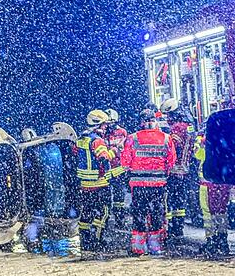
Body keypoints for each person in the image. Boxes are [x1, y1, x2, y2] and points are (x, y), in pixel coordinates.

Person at [120, 108, 176, 256]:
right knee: (156, 213)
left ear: (141, 122)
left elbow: (125, 162)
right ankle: (155, 246)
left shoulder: (132, 138)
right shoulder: (166, 138)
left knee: (139, 213)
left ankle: (138, 248)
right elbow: (171, 162)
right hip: (158, 184)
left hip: (139, 184)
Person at [74, 109, 116, 253]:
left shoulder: (81, 139)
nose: (106, 127)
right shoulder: (97, 141)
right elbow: (104, 157)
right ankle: (97, 240)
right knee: (103, 213)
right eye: (104, 125)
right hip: (99, 184)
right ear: (98, 124)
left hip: (85, 184)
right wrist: (114, 151)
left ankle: (85, 242)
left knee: (86, 213)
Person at [159, 98, 198, 242]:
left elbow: (173, 146)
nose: (167, 118)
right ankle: (178, 228)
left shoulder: (177, 128)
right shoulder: (189, 126)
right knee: (179, 200)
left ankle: (171, 228)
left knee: (170, 199)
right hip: (186, 169)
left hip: (174, 169)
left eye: (169, 115)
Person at [194, 131, 231, 256]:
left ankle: (211, 240)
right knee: (221, 211)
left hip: (207, 184)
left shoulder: (206, 142)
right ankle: (222, 239)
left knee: (207, 213)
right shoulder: (227, 142)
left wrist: (199, 142)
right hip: (223, 183)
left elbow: (198, 155)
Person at [103, 108, 129, 229]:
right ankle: (105, 218)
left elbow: (125, 149)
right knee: (106, 195)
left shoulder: (122, 132)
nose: (109, 125)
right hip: (106, 168)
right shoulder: (103, 133)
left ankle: (119, 219)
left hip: (118, 168)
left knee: (119, 196)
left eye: (111, 122)